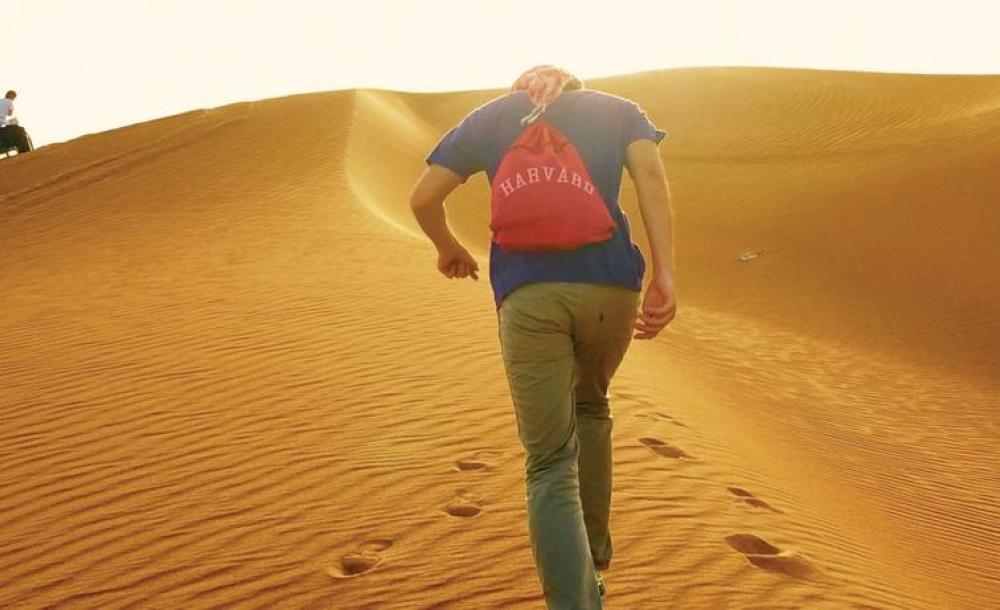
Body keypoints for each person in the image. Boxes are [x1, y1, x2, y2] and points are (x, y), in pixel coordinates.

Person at [409, 65, 676, 609]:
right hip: (612, 290)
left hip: (530, 296)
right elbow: (650, 178)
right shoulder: (618, 110)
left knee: (550, 461)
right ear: (575, 86)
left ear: (521, 90)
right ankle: (594, 560)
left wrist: (447, 247)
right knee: (592, 407)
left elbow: (422, 199)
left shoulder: (491, 119)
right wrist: (666, 276)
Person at [0, 90, 34, 154]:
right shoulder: (9, 102)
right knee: (18, 128)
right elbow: (10, 113)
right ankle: (25, 152)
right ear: (11, 96)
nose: (13, 99)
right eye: (14, 98)